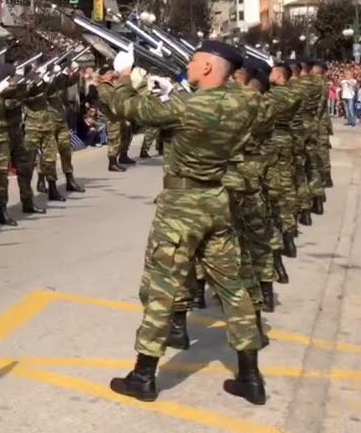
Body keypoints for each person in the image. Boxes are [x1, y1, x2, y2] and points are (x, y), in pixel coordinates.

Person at [103, 40, 266, 406]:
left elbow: (130, 109)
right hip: (217, 202)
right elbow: (235, 100)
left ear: (208, 67)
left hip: (181, 206)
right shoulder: (246, 102)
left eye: (193, 60)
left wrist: (125, 78)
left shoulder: (188, 107)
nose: (188, 65)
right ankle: (251, 377)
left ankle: (143, 376)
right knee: (234, 289)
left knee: (162, 289)